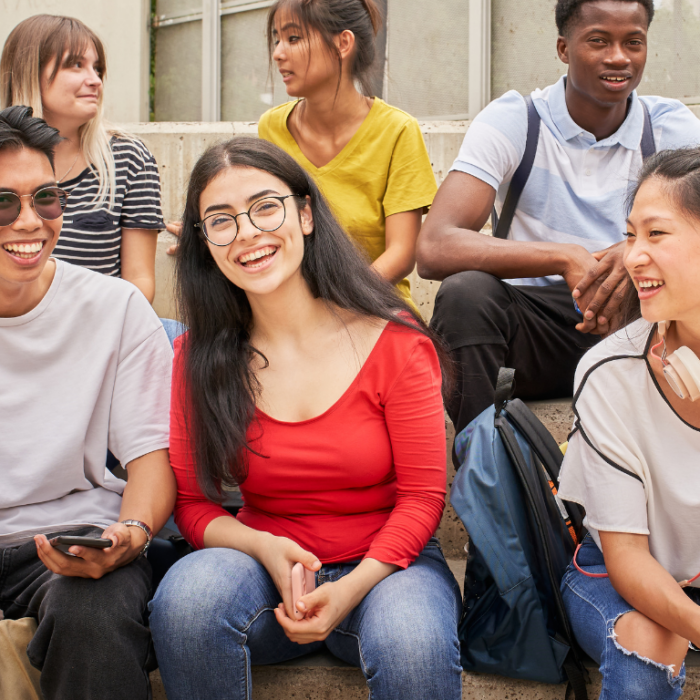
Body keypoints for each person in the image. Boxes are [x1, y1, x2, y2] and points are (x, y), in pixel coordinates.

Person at [148, 137, 462, 700]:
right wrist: (265, 548)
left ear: (306, 213)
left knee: (413, 644)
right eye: (220, 220)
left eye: (265, 207)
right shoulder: (196, 356)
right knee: (187, 603)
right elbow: (193, 504)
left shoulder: (394, 342)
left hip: (390, 567)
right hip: (263, 566)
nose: (247, 232)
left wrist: (349, 589)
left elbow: (423, 497)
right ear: (204, 243)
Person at [416, 0, 700, 444]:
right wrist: (565, 256)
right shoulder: (517, 120)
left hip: (636, 321)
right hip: (532, 333)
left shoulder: (667, 127)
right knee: (465, 295)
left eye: (633, 42)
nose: (619, 57)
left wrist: (636, 249)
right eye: (599, 41)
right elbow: (435, 247)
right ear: (564, 49)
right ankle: (486, 473)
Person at [0, 105, 175, 700]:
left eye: (44, 198)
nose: (28, 222)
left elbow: (151, 458)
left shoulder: (115, 308)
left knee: (95, 616)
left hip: (74, 537)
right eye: (3, 203)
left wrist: (132, 531)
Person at [557, 146, 700, 698]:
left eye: (656, 235)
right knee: (650, 643)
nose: (633, 256)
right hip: (621, 574)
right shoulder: (608, 372)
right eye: (630, 234)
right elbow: (629, 563)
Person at [257, 0, 437, 308]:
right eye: (276, 39)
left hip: (375, 308)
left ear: (343, 43)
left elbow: (401, 253)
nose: (278, 53)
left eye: (294, 38)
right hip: (294, 314)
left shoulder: (397, 130)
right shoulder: (271, 129)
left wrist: (338, 306)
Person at [1, 14, 165, 303]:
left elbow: (139, 282)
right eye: (76, 64)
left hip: (96, 331)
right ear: (30, 70)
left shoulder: (129, 158)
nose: (95, 80)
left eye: (97, 68)